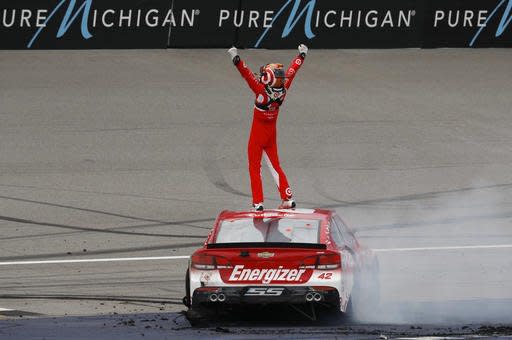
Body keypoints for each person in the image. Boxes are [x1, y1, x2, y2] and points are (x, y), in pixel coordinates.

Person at [227, 44, 308, 211]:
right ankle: (288, 198)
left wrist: (236, 59)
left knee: (254, 167)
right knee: (276, 165)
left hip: (257, 134)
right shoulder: (284, 90)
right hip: (271, 134)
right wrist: (301, 56)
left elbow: (247, 75)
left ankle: (258, 203)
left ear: (268, 79)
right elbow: (292, 71)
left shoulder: (261, 92)